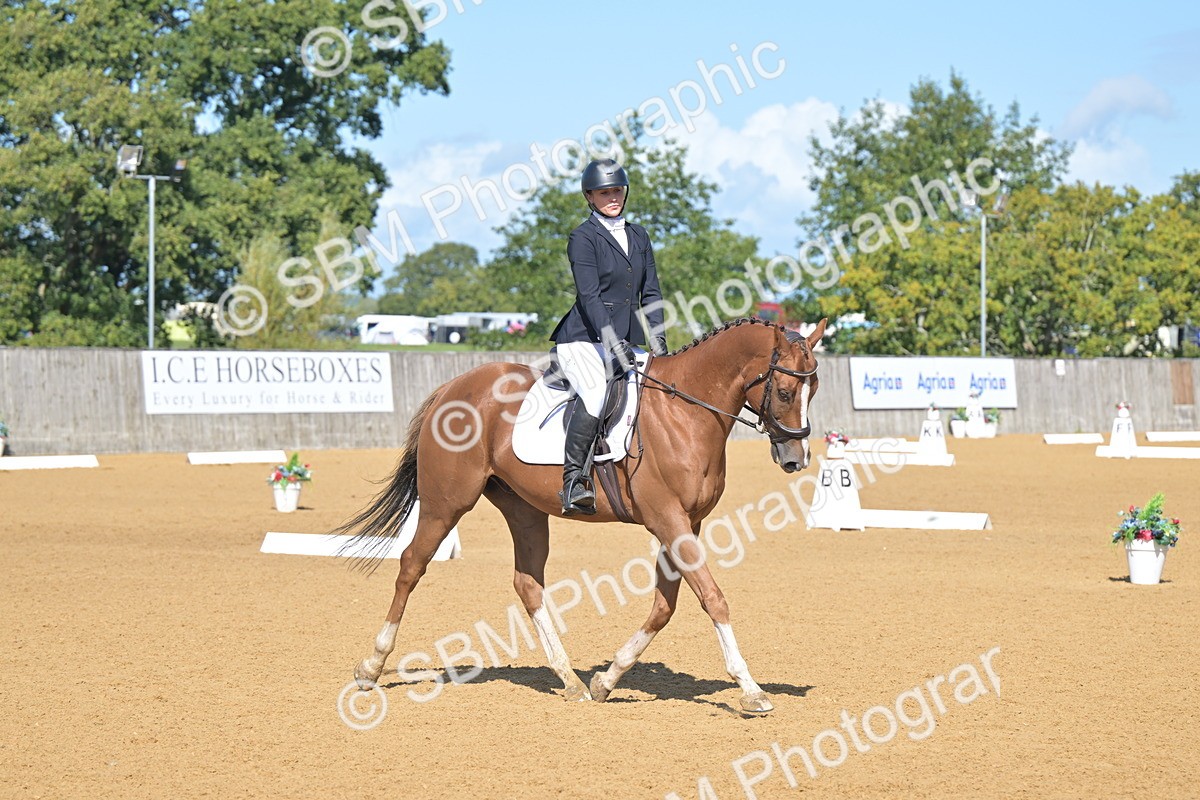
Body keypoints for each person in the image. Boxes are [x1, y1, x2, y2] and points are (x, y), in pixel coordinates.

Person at [549, 158, 668, 516]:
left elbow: (651, 292)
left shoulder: (639, 235)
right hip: (584, 338)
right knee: (597, 391)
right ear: (590, 196)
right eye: (605, 192)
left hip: (627, 338)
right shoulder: (583, 238)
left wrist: (659, 338)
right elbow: (589, 296)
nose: (613, 197)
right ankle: (574, 480)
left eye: (617, 190)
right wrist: (612, 342)